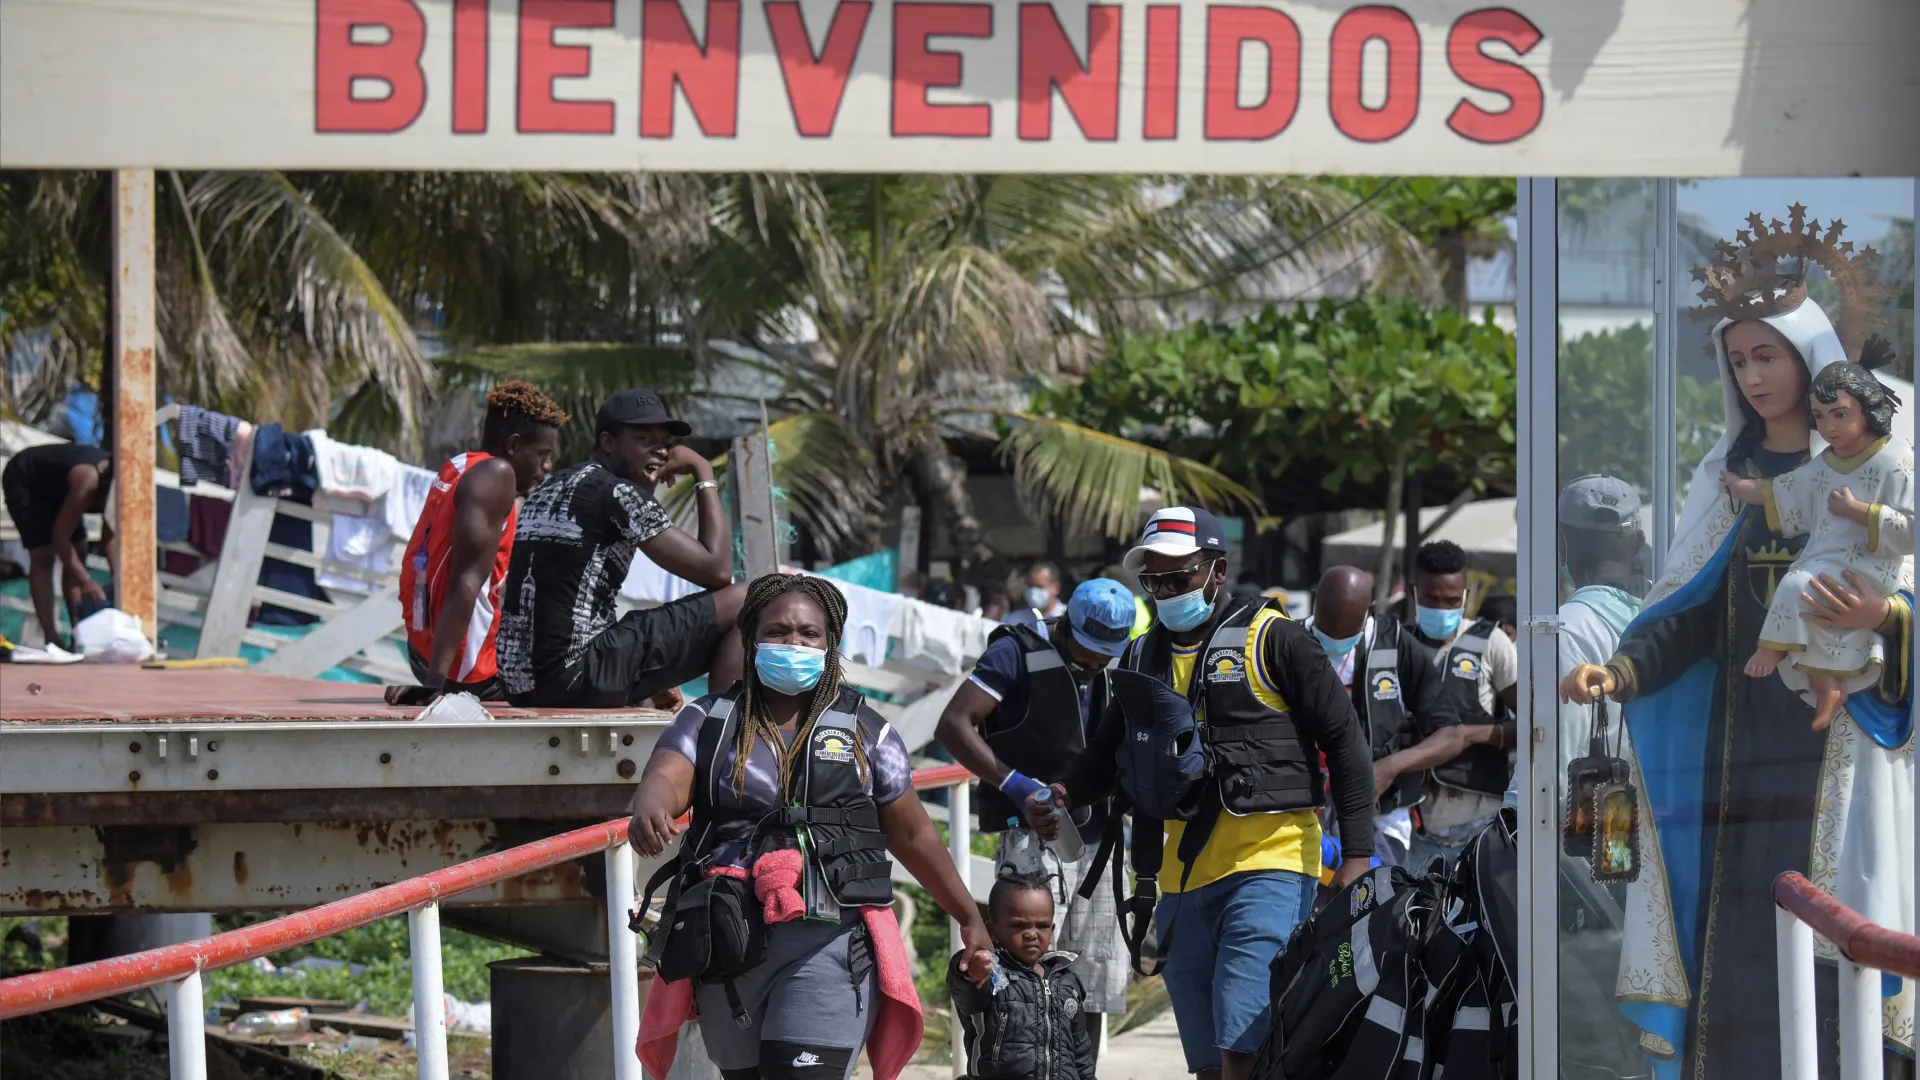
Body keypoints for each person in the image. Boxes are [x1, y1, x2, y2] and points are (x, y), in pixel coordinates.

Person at [1560, 210, 1914, 1079]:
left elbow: (1903, 590)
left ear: (1812, 359)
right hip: (1740, 756)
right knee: (1740, 934)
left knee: (1846, 935)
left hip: (1842, 750)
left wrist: (1888, 622)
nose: (1753, 376)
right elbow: (1687, 610)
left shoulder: (1884, 468)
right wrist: (1624, 668)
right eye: (1738, 359)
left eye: (1770, 356)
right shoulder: (1723, 483)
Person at [1042, 506, 1374, 1080]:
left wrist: (1361, 856)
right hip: (1178, 879)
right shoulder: (1142, 654)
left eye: (1180, 576)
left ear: (1216, 571)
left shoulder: (1278, 641)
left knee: (1245, 1038)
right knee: (1208, 1061)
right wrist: (1065, 792)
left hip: (1270, 864)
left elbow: (1347, 745)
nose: (1167, 590)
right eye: (1155, 581)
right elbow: (1105, 752)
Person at [631, 574, 994, 1080]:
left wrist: (968, 915)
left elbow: (912, 833)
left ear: (831, 645)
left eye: (808, 634)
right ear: (750, 638)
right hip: (727, 941)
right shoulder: (708, 719)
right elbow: (668, 775)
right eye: (777, 632)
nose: (793, 644)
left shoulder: (868, 731)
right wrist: (651, 802)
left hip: (830, 940)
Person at [935, 578, 1136, 1051]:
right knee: (1019, 982)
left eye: (1104, 655)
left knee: (1090, 986)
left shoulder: (1120, 662)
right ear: (1064, 624)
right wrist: (1017, 785)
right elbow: (953, 724)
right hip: (1031, 842)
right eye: (1085, 651)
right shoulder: (1016, 652)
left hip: (1101, 839)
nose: (1092, 663)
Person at [497, 388, 747, 708]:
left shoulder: (549, 486)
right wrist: (703, 472)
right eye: (645, 441)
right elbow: (717, 571)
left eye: (666, 444)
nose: (660, 453)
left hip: (520, 683)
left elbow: (572, 612)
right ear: (608, 442)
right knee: (749, 599)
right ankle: (723, 732)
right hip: (576, 676)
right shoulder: (619, 492)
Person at [1721, 360, 1912, 731]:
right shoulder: (1826, 464)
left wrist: (1864, 513)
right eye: (1820, 417)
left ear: (1868, 410)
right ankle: (1827, 689)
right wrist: (1742, 488)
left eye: (1840, 415)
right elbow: (1784, 488)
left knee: (1796, 587)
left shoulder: (1897, 461)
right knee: (1806, 602)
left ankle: (1773, 650)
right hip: (1825, 562)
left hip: (1872, 571)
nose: (1829, 428)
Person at [387, 382, 565, 706]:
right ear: (513, 445)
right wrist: (434, 688)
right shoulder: (498, 474)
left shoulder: (461, 465)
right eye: (543, 455)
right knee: (589, 669)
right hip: (464, 673)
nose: (548, 467)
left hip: (423, 651)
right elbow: (465, 584)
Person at [1303, 565, 1471, 868]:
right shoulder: (1290, 639)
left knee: (1372, 895)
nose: (1336, 639)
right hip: (1305, 814)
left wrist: (1390, 767)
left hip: (1381, 818)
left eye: (1348, 632)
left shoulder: (1396, 644)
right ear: (1314, 600)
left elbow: (1451, 735)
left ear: (1370, 609)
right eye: (1326, 631)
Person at [1408, 539, 1517, 868]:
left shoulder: (1491, 642)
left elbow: (1534, 722)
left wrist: (1467, 736)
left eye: (1452, 600)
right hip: (1414, 833)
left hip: (1480, 827)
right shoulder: (1398, 646)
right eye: (1432, 599)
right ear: (1416, 593)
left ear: (1466, 597)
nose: (1442, 609)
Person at [947, 872, 1097, 1080]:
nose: (1031, 934)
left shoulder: (1067, 982)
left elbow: (1080, 1049)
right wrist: (971, 971)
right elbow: (963, 988)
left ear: (1052, 930)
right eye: (1018, 925)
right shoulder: (992, 975)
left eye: (1042, 926)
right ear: (992, 930)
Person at [1, 442, 113, 648]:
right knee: (44, 555)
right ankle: (51, 639)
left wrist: (118, 576)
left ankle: (78, 636)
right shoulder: (87, 480)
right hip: (26, 480)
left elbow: (110, 537)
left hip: (60, 489)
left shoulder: (122, 489)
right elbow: (60, 536)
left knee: (79, 552)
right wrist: (86, 581)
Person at [1004, 559, 1067, 626]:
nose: (1033, 592)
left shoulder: (1069, 617)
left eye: (1039, 587)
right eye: (1030, 586)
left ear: (1056, 588)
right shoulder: (1015, 620)